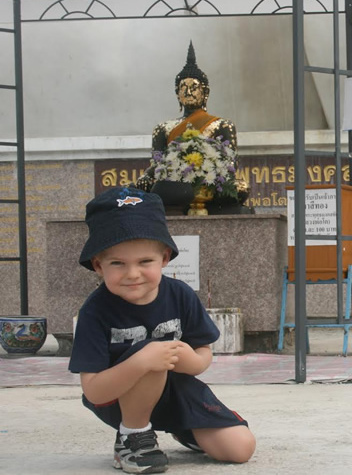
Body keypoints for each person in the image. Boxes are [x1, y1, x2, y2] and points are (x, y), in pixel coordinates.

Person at [68, 186, 255, 473]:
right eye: (117, 263)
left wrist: (191, 360)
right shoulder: (95, 311)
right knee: (151, 351)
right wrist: (141, 361)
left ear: (165, 258)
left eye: (145, 261)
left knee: (240, 449)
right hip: (119, 399)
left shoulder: (180, 295)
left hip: (176, 392)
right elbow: (93, 392)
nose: (132, 274)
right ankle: (133, 436)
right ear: (98, 265)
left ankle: (183, 428)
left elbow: (203, 351)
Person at [137, 41, 238, 193]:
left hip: (209, 184)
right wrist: (146, 176)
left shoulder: (222, 125)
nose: (188, 93)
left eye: (194, 88)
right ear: (177, 94)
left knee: (239, 188)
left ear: (205, 93)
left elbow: (231, 164)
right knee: (142, 187)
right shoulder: (163, 129)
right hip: (174, 185)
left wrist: (206, 171)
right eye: (183, 88)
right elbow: (156, 165)